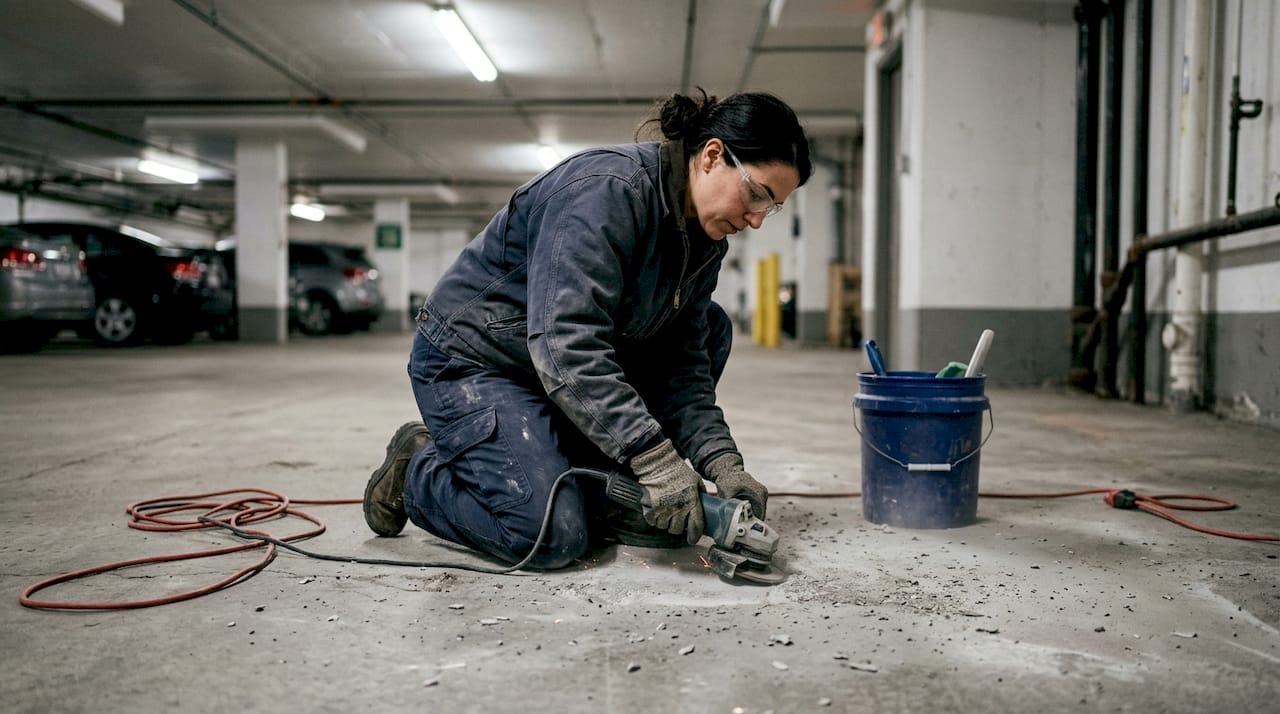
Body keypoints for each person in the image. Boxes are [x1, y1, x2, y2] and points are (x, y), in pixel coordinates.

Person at [363, 89, 812, 570]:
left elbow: (681, 368)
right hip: (478, 361)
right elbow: (566, 346)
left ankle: (588, 485)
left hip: (555, 373)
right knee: (548, 534)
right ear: (712, 155)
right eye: (757, 194)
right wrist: (654, 458)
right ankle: (419, 470)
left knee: (710, 329)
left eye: (772, 207)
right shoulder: (605, 192)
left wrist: (722, 462)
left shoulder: (704, 242)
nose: (757, 219)